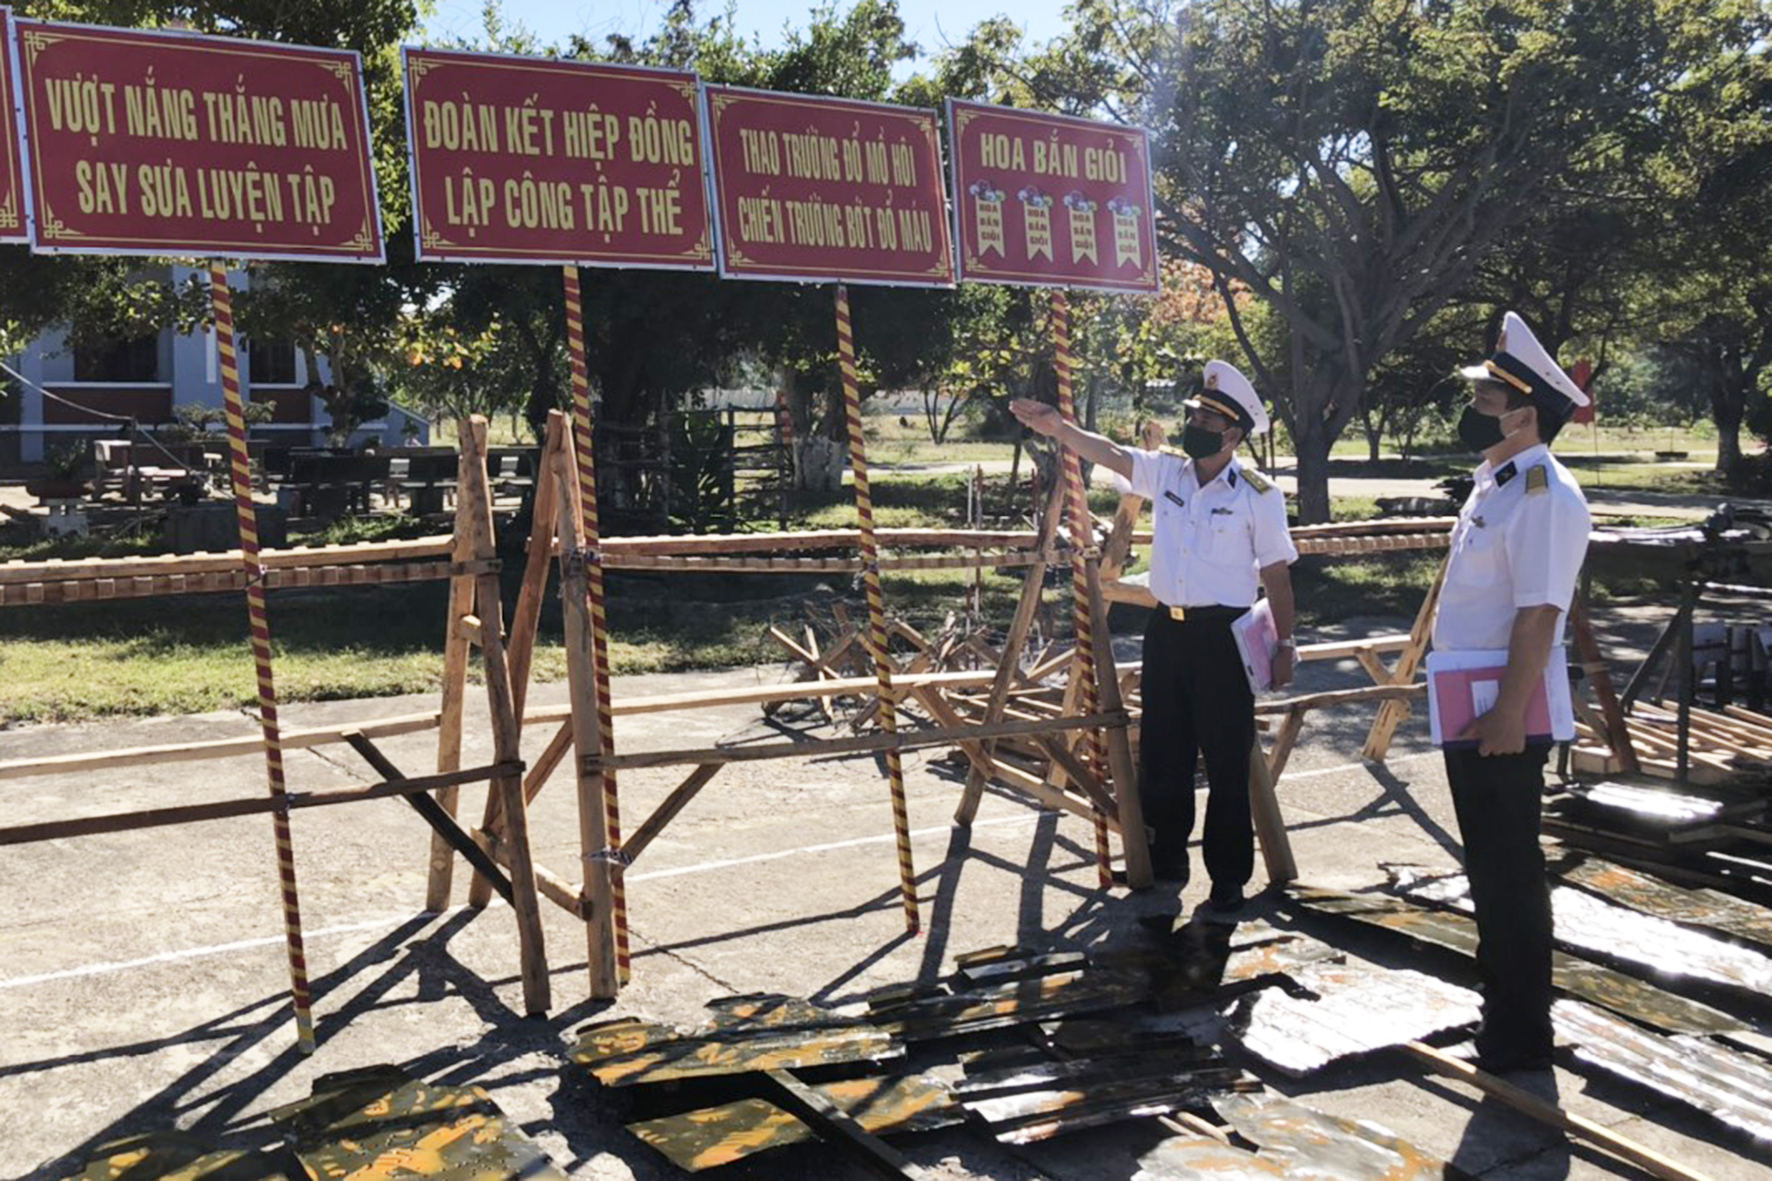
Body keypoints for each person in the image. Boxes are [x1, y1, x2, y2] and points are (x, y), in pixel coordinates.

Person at [1010, 360, 1297, 912]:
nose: (1194, 426)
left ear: (1233, 436)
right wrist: (1058, 428)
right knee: (1165, 752)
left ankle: (1228, 877)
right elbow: (1112, 455)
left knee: (1227, 760)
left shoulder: (1257, 494)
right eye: (1194, 416)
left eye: (1207, 421)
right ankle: (1167, 862)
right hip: (1167, 630)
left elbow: (1278, 576)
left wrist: (1284, 645)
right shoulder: (1169, 472)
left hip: (1224, 638)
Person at [1436, 311, 1592, 1074]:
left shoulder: (1543, 493)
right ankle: (1499, 1009)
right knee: (1488, 869)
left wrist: (1505, 711)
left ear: (1525, 415)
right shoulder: (1496, 484)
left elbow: (1539, 613)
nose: (1473, 409)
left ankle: (1522, 1032)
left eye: (1487, 400)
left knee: (1509, 872)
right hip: (1472, 701)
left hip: (1504, 708)